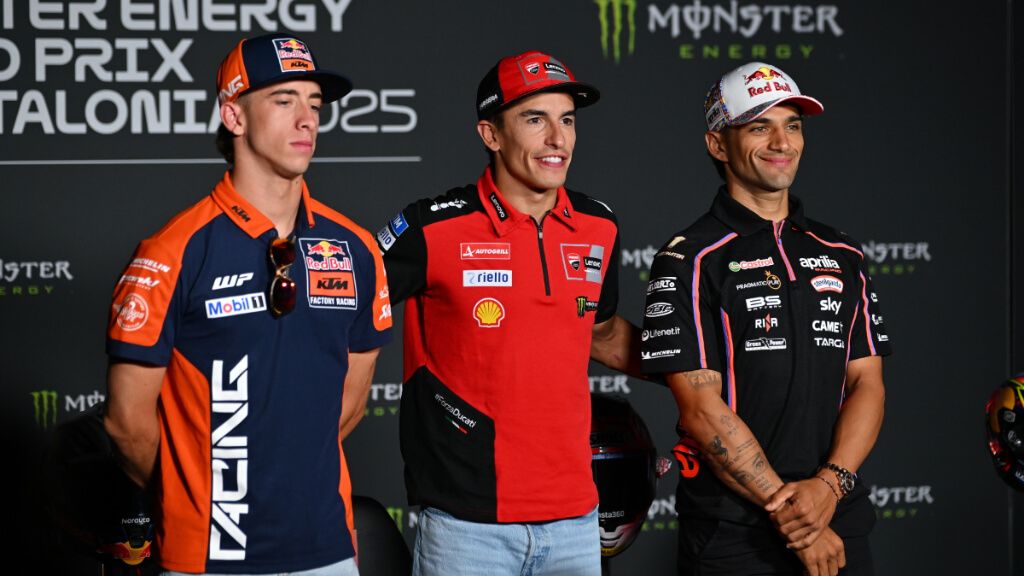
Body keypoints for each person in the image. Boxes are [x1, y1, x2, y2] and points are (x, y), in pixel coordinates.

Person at [103, 33, 392, 575]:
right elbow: (126, 423)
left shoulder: (355, 248)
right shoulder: (173, 251)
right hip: (208, 557)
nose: (307, 119)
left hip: (328, 551)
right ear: (233, 117)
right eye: (284, 101)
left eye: (314, 104)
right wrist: (195, 494)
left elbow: (347, 402)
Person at [375, 50, 641, 576]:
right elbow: (340, 312)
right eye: (534, 119)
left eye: (566, 120)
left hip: (575, 522)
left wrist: (701, 373)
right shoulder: (433, 228)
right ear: (491, 135)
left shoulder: (599, 226)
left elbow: (604, 333)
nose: (557, 139)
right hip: (465, 526)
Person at [641, 62, 891, 576]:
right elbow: (700, 409)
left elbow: (867, 382)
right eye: (760, 127)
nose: (782, 142)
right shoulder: (689, 258)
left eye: (793, 125)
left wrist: (829, 486)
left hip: (839, 515)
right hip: (735, 532)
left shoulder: (841, 252)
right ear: (718, 145)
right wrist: (799, 518)